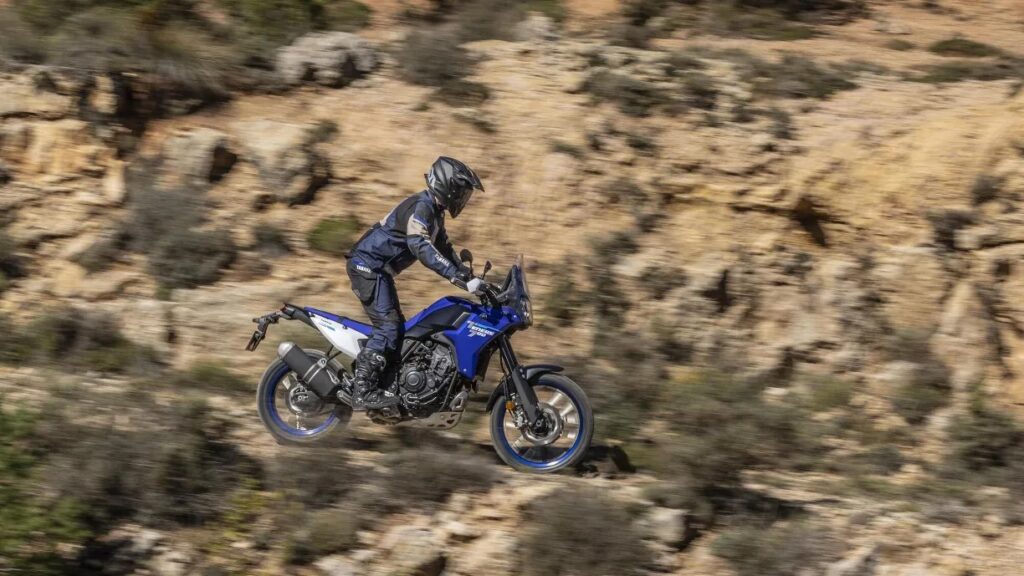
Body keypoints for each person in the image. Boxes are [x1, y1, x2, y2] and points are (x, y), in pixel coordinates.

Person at [344, 157, 485, 410]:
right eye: (462, 191)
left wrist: (469, 277)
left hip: (378, 270)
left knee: (400, 329)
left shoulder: (434, 213)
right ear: (447, 185)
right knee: (389, 326)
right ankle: (362, 390)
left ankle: (390, 382)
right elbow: (420, 246)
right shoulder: (422, 207)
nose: (464, 198)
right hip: (368, 265)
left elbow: (444, 249)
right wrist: (454, 277)